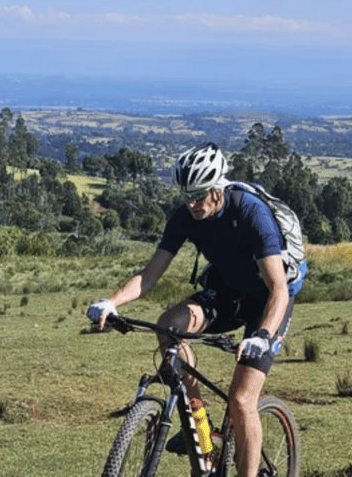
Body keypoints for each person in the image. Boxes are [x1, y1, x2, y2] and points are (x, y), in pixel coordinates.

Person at [87, 142, 305, 477]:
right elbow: (149, 275)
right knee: (168, 325)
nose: (192, 203)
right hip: (227, 293)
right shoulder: (184, 217)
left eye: (199, 194)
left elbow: (277, 288)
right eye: (186, 194)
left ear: (218, 187)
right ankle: (198, 426)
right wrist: (111, 302)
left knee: (242, 400)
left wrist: (262, 335)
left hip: (268, 303)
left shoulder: (250, 212)